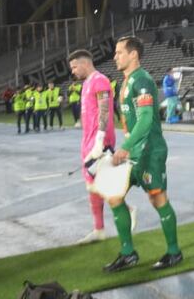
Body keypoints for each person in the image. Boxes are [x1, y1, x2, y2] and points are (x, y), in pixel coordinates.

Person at [104, 36, 182, 272]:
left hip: (150, 151)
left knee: (158, 200)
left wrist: (126, 147)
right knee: (114, 196)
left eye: (119, 52)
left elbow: (147, 118)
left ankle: (174, 252)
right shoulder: (125, 82)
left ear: (133, 54)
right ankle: (128, 254)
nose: (115, 56)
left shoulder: (143, 80)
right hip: (133, 151)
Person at [68, 49, 132, 245]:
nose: (73, 71)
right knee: (93, 186)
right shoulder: (86, 84)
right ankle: (99, 229)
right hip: (87, 142)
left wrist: (100, 140)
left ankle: (126, 214)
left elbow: (105, 110)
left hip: (99, 142)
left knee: (104, 184)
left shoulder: (100, 80)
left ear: (85, 63)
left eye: (75, 66)